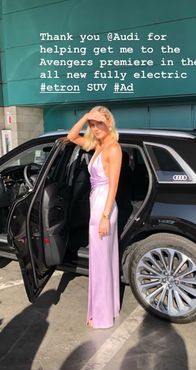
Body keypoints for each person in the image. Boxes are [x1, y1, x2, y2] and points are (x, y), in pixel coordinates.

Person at [67, 106, 122, 329]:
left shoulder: (113, 148)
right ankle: (108, 309)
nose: (95, 128)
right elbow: (71, 136)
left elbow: (114, 186)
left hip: (104, 207)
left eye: (100, 123)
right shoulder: (97, 145)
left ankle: (101, 317)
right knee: (102, 262)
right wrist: (86, 116)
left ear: (109, 122)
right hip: (96, 203)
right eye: (92, 124)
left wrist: (105, 216)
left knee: (101, 263)